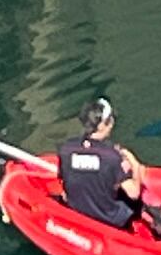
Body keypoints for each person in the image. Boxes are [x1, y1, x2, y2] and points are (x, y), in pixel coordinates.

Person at [54, 98, 146, 232]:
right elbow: (134, 193)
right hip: (109, 219)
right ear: (107, 124)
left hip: (77, 211)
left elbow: (65, 184)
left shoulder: (66, 149)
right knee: (138, 203)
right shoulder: (112, 157)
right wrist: (135, 164)